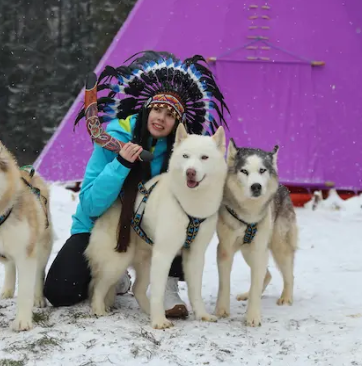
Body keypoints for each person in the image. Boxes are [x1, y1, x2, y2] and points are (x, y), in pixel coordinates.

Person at [43, 51, 228, 318]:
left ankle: (167, 286)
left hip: (151, 231)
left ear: (177, 123)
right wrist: (120, 164)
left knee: (182, 213)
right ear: (146, 108)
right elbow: (91, 204)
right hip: (101, 228)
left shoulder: (179, 155)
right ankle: (113, 275)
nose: (161, 118)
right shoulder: (113, 138)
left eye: (169, 114)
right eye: (157, 109)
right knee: (61, 292)